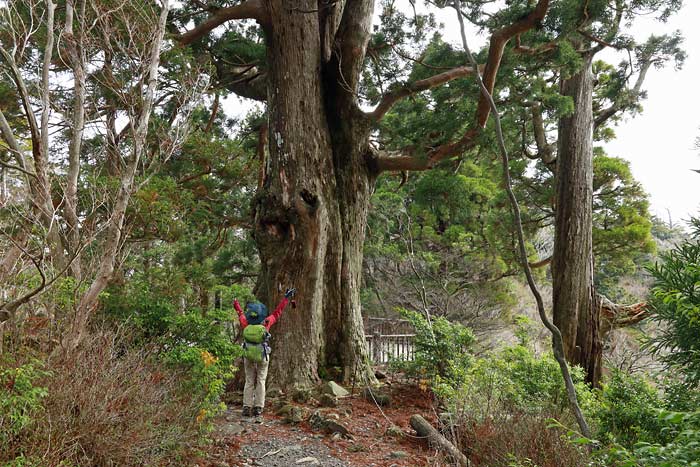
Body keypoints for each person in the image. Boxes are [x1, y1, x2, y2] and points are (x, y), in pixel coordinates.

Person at [233, 288, 296, 418]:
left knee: (249, 380)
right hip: (262, 355)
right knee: (261, 380)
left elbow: (240, 313)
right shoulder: (266, 322)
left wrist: (236, 304)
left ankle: (246, 406)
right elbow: (277, 312)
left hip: (248, 354)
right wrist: (286, 298)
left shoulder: (245, 323)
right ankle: (258, 408)